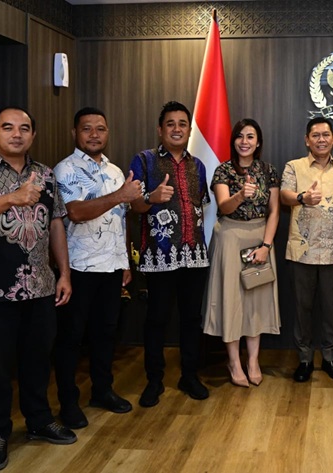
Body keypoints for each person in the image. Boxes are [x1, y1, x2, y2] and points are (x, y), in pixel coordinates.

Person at [0, 106, 76, 472]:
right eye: (8, 128)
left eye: (24, 128)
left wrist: (64, 273)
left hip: (40, 287)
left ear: (33, 135)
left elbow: (56, 224)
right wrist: (12, 197)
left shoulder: (47, 175)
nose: (17, 134)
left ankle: (39, 420)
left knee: (38, 361)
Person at [52, 107, 141, 429]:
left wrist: (125, 260)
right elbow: (75, 212)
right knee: (71, 338)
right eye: (86, 128)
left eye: (100, 129)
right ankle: (68, 403)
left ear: (107, 133)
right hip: (78, 268)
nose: (94, 134)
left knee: (106, 334)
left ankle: (102, 391)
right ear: (74, 133)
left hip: (112, 266)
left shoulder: (116, 171)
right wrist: (120, 195)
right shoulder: (65, 169)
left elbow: (122, 218)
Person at [129, 101, 211, 407]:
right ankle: (154, 381)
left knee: (191, 318)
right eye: (171, 124)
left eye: (182, 124)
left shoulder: (198, 166)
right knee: (157, 319)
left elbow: (201, 205)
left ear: (189, 130)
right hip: (160, 257)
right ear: (160, 129)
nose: (177, 129)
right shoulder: (144, 160)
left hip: (195, 255)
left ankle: (189, 375)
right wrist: (151, 198)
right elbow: (133, 205)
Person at [203, 118, 281, 387]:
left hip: (260, 239)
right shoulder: (223, 170)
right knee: (231, 300)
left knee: (256, 301)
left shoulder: (268, 171)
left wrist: (266, 246)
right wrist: (241, 195)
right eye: (240, 136)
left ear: (258, 142)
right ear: (233, 140)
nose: (244, 141)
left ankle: (253, 360)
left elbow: (274, 212)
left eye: (250, 137)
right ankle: (234, 362)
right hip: (230, 237)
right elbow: (224, 207)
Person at [280, 117, 333, 382]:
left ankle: (330, 358)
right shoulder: (294, 167)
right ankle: (304, 359)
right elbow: (284, 196)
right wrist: (302, 197)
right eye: (315, 135)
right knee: (302, 309)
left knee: (331, 309)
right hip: (302, 252)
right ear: (307, 140)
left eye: (326, 135)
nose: (321, 139)